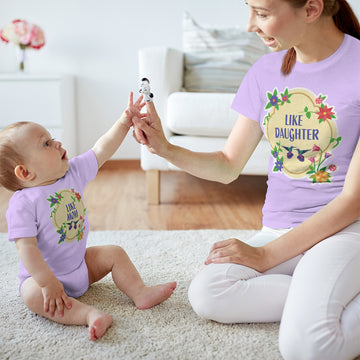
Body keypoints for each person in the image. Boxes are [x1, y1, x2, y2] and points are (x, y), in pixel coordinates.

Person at [133, 1, 360, 359]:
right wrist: (165, 149)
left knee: (308, 347)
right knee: (207, 294)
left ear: (312, 8)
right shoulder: (266, 70)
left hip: (344, 231)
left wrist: (265, 255)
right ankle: (318, 295)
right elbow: (227, 164)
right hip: (279, 228)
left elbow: (353, 201)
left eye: (263, 13)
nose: (250, 25)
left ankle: (319, 298)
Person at [0, 93, 176, 341]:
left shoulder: (72, 173)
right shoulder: (23, 203)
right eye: (46, 144)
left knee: (114, 252)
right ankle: (88, 315)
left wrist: (125, 122)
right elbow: (26, 248)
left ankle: (140, 292)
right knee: (30, 295)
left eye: (53, 138)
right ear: (25, 172)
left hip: (81, 266)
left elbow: (102, 148)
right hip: (46, 280)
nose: (58, 143)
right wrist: (47, 281)